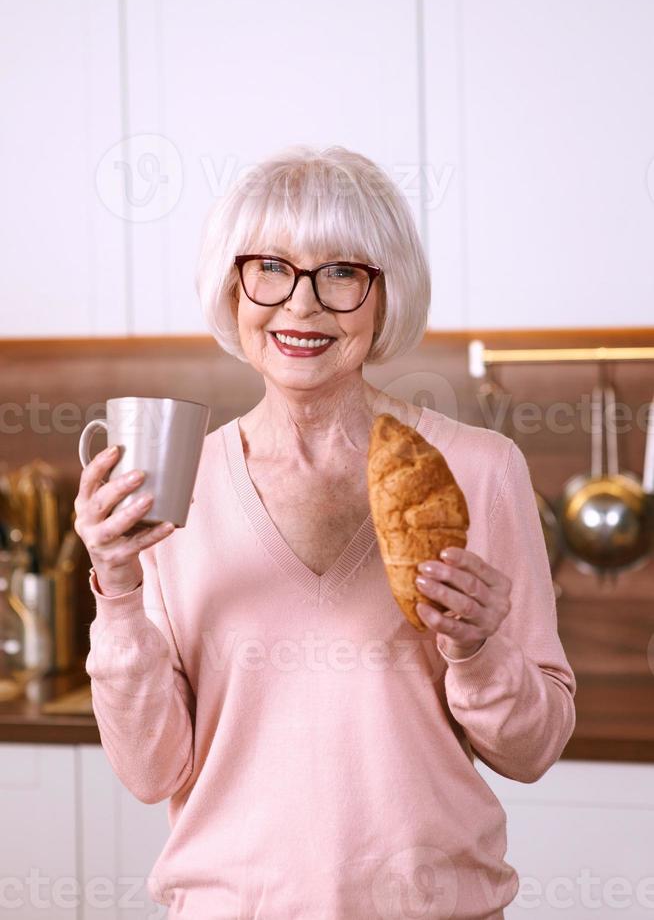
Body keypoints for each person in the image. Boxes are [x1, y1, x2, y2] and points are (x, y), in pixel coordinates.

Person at [76, 144, 576, 920]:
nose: (301, 306)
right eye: (269, 267)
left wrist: (480, 650)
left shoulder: (479, 470)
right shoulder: (174, 489)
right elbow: (151, 769)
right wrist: (118, 590)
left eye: (342, 272)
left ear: (385, 295)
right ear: (231, 288)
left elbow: (533, 748)